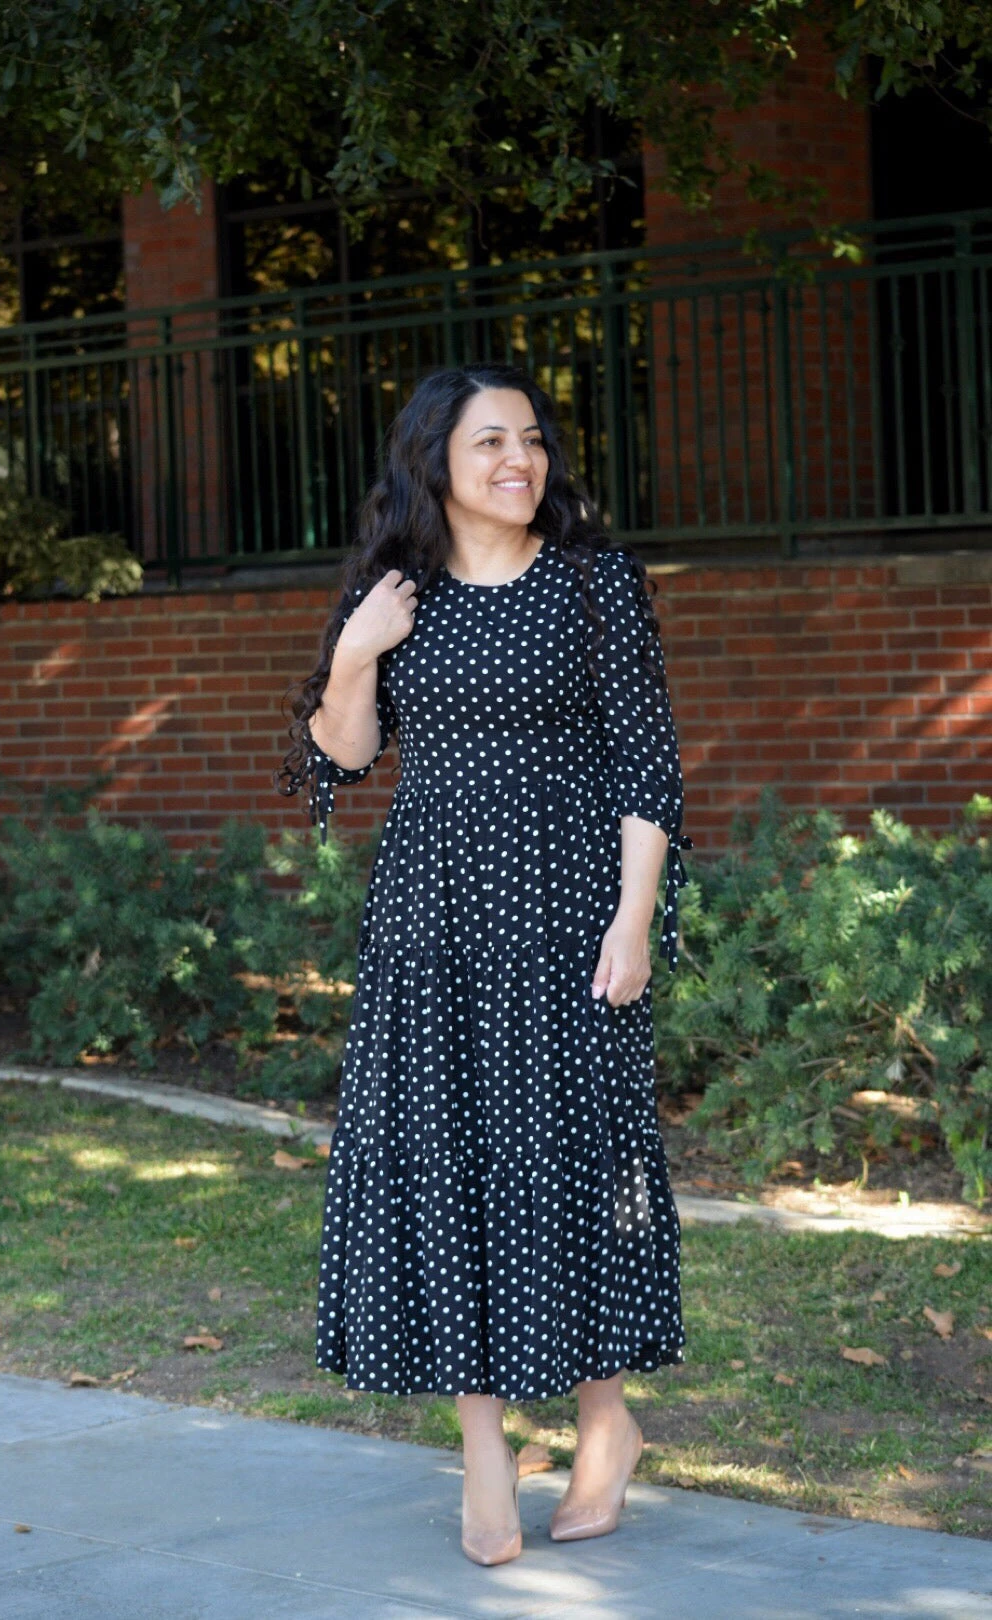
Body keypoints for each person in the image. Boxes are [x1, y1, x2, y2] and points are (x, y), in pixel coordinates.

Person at [279, 361, 692, 1566]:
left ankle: (606, 1423)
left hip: (570, 916)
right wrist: (356, 652)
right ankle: (483, 1450)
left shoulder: (594, 581)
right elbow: (341, 757)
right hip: (434, 925)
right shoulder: (395, 589)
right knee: (450, 1162)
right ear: (436, 465)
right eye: (490, 442)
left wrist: (634, 920)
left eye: (532, 439)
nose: (521, 460)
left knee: (581, 1159)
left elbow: (647, 763)